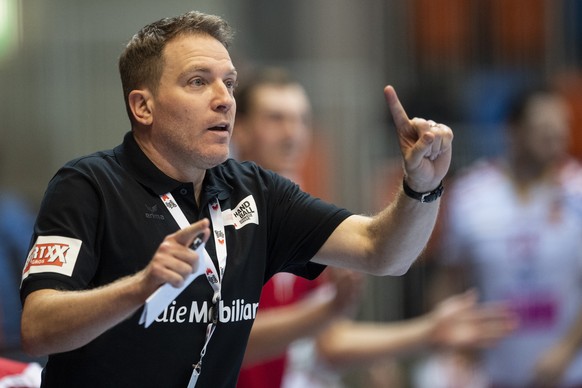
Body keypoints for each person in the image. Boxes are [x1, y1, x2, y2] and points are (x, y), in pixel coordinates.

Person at [19, 11, 454, 388]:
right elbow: (38, 328)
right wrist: (140, 287)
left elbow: (382, 252)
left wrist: (422, 187)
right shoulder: (88, 186)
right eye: (198, 82)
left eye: (229, 83)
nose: (224, 100)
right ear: (143, 107)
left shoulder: (256, 191)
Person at [233, 68, 516, 388]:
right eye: (275, 118)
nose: (292, 133)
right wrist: (326, 313)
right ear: (238, 129)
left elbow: (381, 258)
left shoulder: (298, 214)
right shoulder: (221, 215)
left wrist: (423, 185)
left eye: (301, 120)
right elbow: (227, 339)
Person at [430, 85, 582, 387]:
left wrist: (566, 350)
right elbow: (449, 279)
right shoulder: (471, 193)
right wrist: (458, 344)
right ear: (513, 131)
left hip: (568, 374)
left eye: (561, 128)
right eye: (544, 129)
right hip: (493, 374)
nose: (556, 138)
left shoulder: (578, 190)